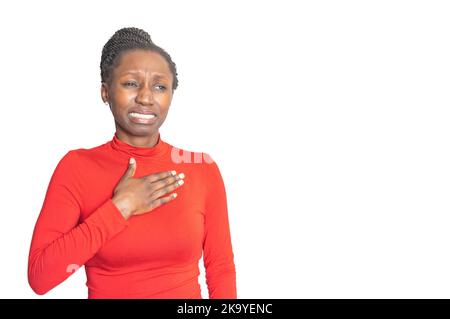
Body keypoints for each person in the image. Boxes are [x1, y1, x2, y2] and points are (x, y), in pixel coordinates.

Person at [27, 27, 237, 299]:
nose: (146, 98)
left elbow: (220, 268)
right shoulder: (77, 167)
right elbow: (40, 278)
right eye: (130, 84)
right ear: (105, 92)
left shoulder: (202, 169)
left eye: (160, 86)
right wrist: (120, 207)